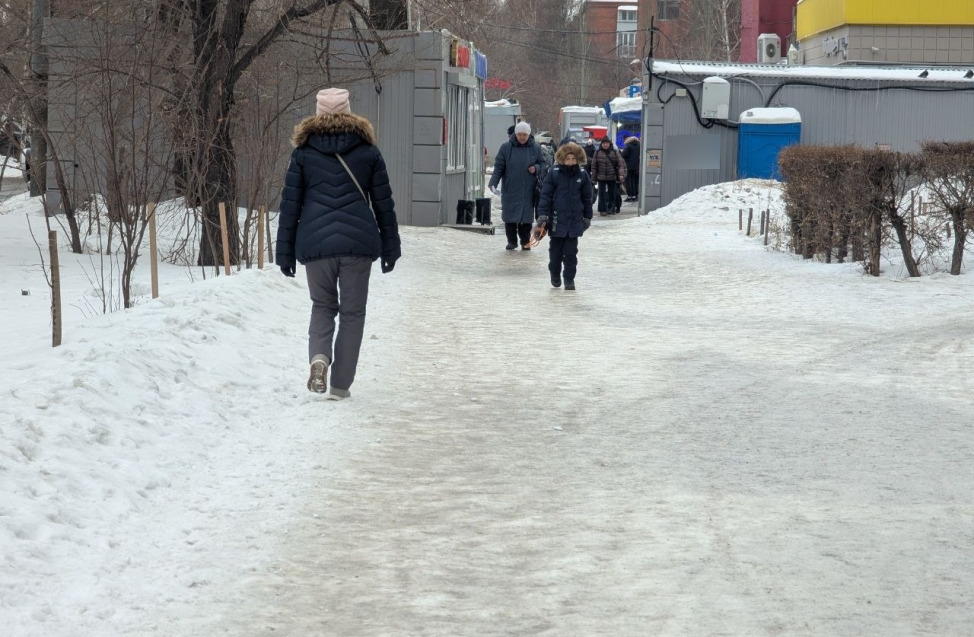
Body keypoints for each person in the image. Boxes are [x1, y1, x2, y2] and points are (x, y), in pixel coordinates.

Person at [276, 87, 401, 400]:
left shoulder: (303, 153)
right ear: (348, 112)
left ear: (318, 113)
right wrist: (391, 246)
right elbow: (384, 203)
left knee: (322, 306)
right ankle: (340, 385)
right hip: (358, 244)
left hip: (315, 244)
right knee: (352, 313)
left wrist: (285, 252)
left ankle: (319, 358)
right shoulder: (368, 151)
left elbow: (290, 205)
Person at [535, 142, 593, 291]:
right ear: (562, 159)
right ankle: (554, 273)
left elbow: (587, 197)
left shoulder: (582, 175)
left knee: (571, 254)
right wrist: (542, 215)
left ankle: (569, 279)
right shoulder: (554, 174)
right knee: (555, 254)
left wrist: (587, 216)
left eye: (574, 159)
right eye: (568, 159)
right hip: (556, 220)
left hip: (574, 221)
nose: (571, 162)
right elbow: (545, 196)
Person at [488, 121, 546, 250]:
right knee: (510, 218)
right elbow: (498, 167)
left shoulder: (536, 148)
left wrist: (536, 168)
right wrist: (493, 183)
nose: (522, 137)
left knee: (526, 219)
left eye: (524, 134)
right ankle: (512, 241)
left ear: (529, 135)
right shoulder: (505, 148)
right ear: (515, 134)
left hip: (528, 189)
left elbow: (543, 164)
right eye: (519, 134)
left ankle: (525, 242)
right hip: (511, 188)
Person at [590, 136, 626, 215]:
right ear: (601, 144)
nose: (605, 145)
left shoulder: (615, 152)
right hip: (601, 177)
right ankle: (602, 210)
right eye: (604, 143)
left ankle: (611, 208)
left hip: (612, 176)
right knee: (601, 194)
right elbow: (594, 166)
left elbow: (620, 164)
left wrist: (621, 175)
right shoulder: (597, 152)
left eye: (607, 143)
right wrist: (593, 178)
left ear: (609, 144)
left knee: (612, 194)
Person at [621, 135, 641, 202]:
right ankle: (635, 195)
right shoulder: (639, 146)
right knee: (635, 182)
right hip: (637, 167)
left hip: (628, 166)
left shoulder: (628, 146)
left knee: (628, 182)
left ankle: (630, 196)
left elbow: (624, 155)